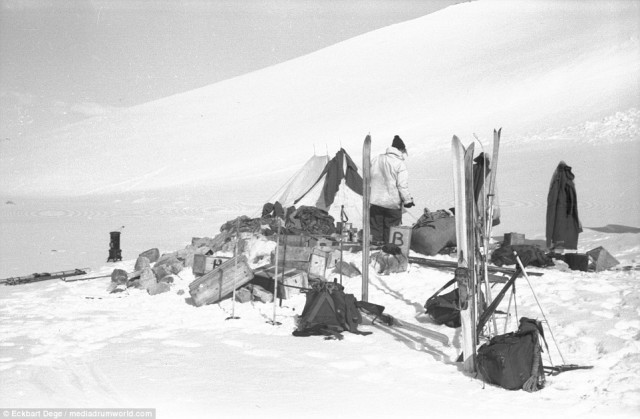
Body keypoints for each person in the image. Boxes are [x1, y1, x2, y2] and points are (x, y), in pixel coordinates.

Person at [369, 135, 414, 244]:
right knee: (391, 233)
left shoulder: (376, 159)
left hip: (375, 202)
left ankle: (376, 254)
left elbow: (369, 177)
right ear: (401, 149)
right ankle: (388, 254)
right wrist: (408, 200)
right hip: (392, 204)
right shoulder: (400, 164)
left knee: (376, 232)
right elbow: (402, 185)